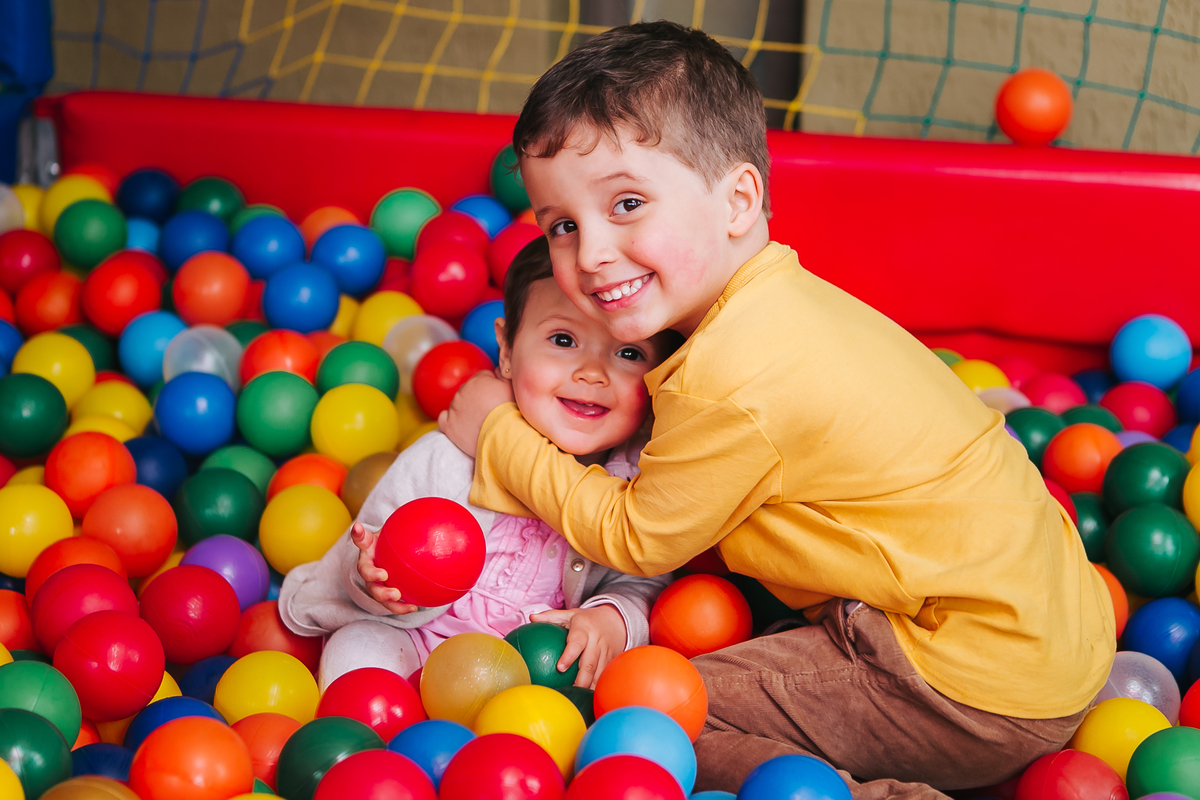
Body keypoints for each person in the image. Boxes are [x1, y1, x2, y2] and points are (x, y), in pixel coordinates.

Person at [437, 20, 1116, 799]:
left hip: (972, 685)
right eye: (563, 225)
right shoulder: (777, 301)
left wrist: (499, 432)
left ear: (738, 200)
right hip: (1055, 629)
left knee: (652, 713)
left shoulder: (730, 377)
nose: (588, 253)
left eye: (627, 203)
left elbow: (635, 537)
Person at [279, 237, 675, 691]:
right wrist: (373, 577)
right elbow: (370, 540)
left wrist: (610, 620)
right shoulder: (447, 455)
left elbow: (642, 582)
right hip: (415, 639)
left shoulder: (635, 485)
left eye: (628, 352)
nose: (592, 372)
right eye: (563, 340)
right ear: (506, 350)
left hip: (531, 673)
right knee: (359, 647)